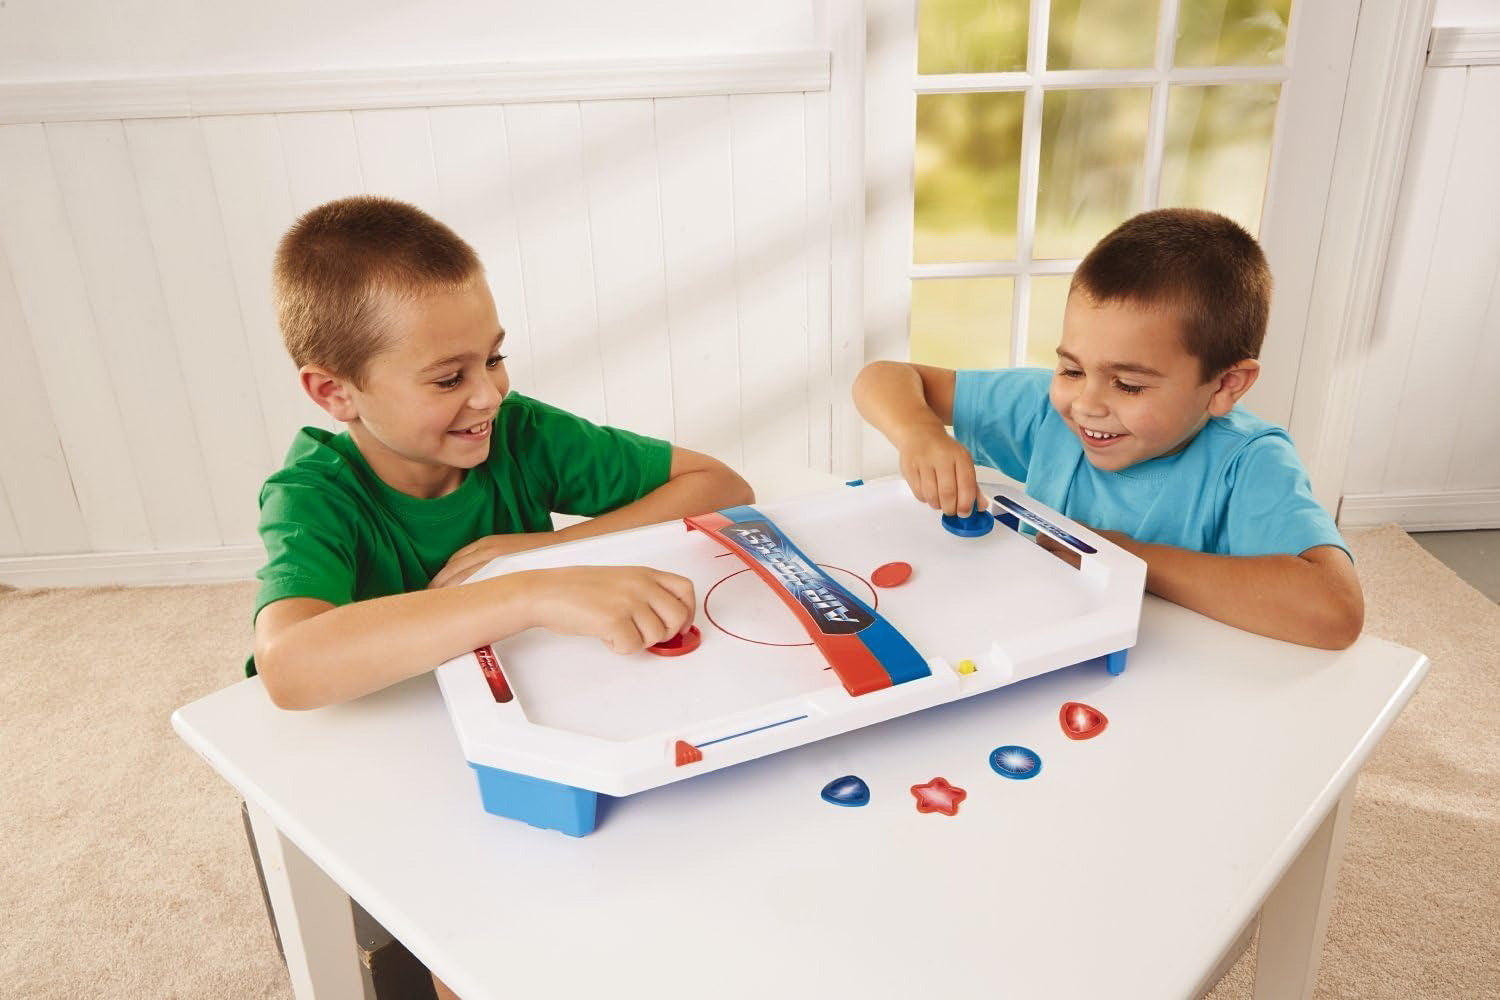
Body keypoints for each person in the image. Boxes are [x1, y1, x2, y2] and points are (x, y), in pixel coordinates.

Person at [251, 195, 754, 711]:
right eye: (448, 379)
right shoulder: (310, 498)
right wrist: (526, 591)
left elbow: (721, 487)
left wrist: (545, 550)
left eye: (494, 358)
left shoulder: (521, 433)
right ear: (335, 393)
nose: (490, 395)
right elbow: (289, 669)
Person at [853, 208, 1363, 650]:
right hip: (1044, 650)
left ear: (1226, 384)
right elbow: (883, 378)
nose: (1086, 404)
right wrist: (919, 430)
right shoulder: (1049, 412)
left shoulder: (1250, 461)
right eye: (1071, 369)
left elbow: (1335, 610)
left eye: (1129, 385)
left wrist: (1120, 556)